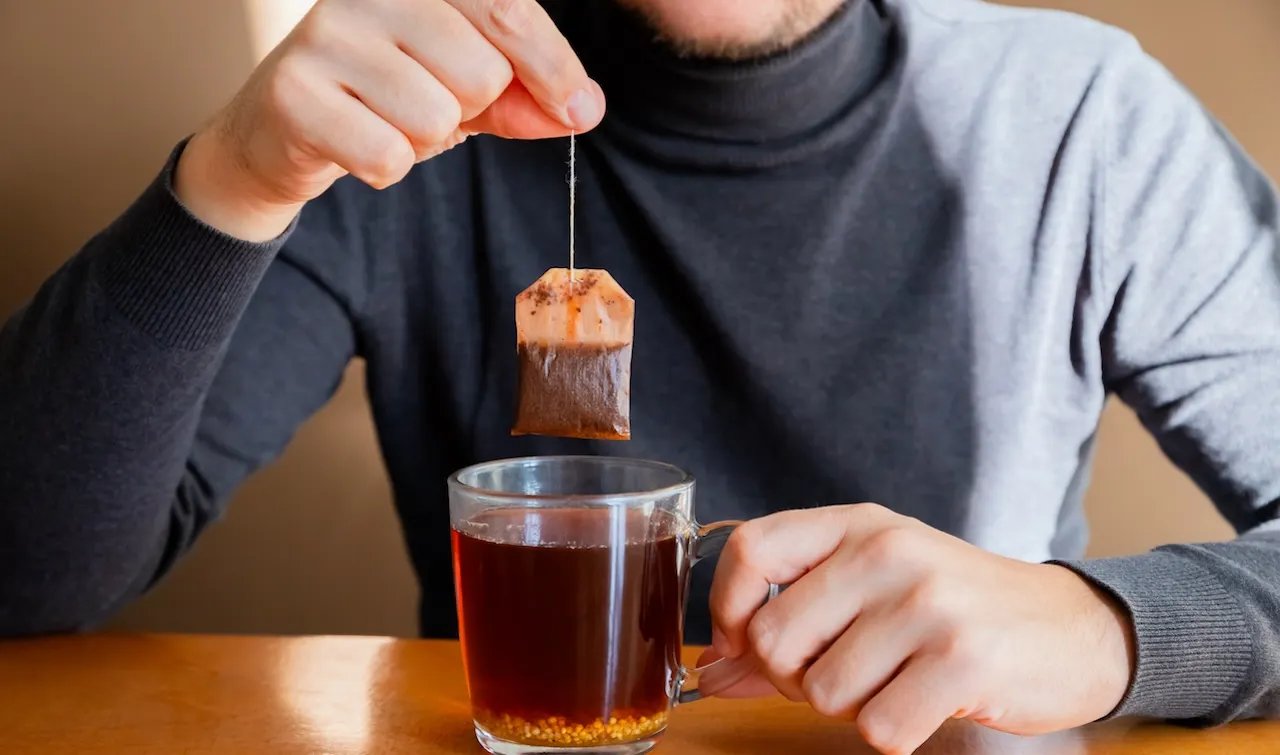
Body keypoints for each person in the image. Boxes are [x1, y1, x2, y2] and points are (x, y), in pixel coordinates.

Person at [2, 0, 1278, 751]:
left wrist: (1108, 625)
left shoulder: (1082, 119)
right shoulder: (402, 129)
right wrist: (235, 178)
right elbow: (23, 577)